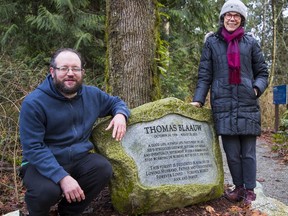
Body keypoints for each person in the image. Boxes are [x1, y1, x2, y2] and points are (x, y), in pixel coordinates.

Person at [19, 48, 130, 215]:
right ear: (52, 71)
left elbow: (116, 103)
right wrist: (62, 178)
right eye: (64, 68)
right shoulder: (34, 103)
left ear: (82, 72)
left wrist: (121, 115)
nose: (70, 73)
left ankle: (68, 212)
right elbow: (33, 148)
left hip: (78, 158)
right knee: (47, 191)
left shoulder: (92, 94)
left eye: (75, 68)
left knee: (102, 169)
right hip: (40, 162)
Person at [191, 0, 269, 205]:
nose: (232, 18)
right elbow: (204, 75)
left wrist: (256, 88)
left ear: (241, 19)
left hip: (247, 103)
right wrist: (198, 100)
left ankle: (250, 190)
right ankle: (239, 188)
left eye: (236, 15)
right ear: (223, 18)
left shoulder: (250, 42)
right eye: (228, 15)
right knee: (232, 153)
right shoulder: (212, 42)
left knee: (248, 153)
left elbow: (262, 72)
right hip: (223, 104)